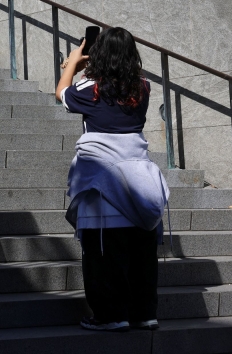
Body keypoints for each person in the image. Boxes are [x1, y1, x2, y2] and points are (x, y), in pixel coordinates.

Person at [56, 27, 169, 332]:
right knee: (141, 251)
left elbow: (61, 94)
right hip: (138, 178)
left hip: (100, 178)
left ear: (99, 54)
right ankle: (145, 313)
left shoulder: (89, 88)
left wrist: (71, 64)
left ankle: (109, 314)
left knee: (103, 252)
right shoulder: (142, 88)